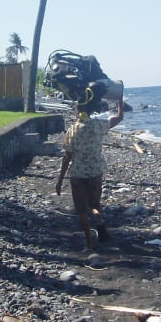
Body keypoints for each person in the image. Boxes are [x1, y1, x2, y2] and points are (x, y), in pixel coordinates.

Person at [55, 87, 125, 250]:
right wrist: (119, 98)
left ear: (78, 110)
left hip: (78, 174)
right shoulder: (99, 125)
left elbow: (67, 157)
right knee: (95, 204)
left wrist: (59, 180)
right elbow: (119, 117)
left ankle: (88, 242)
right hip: (95, 171)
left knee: (82, 211)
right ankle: (100, 222)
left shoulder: (73, 130)